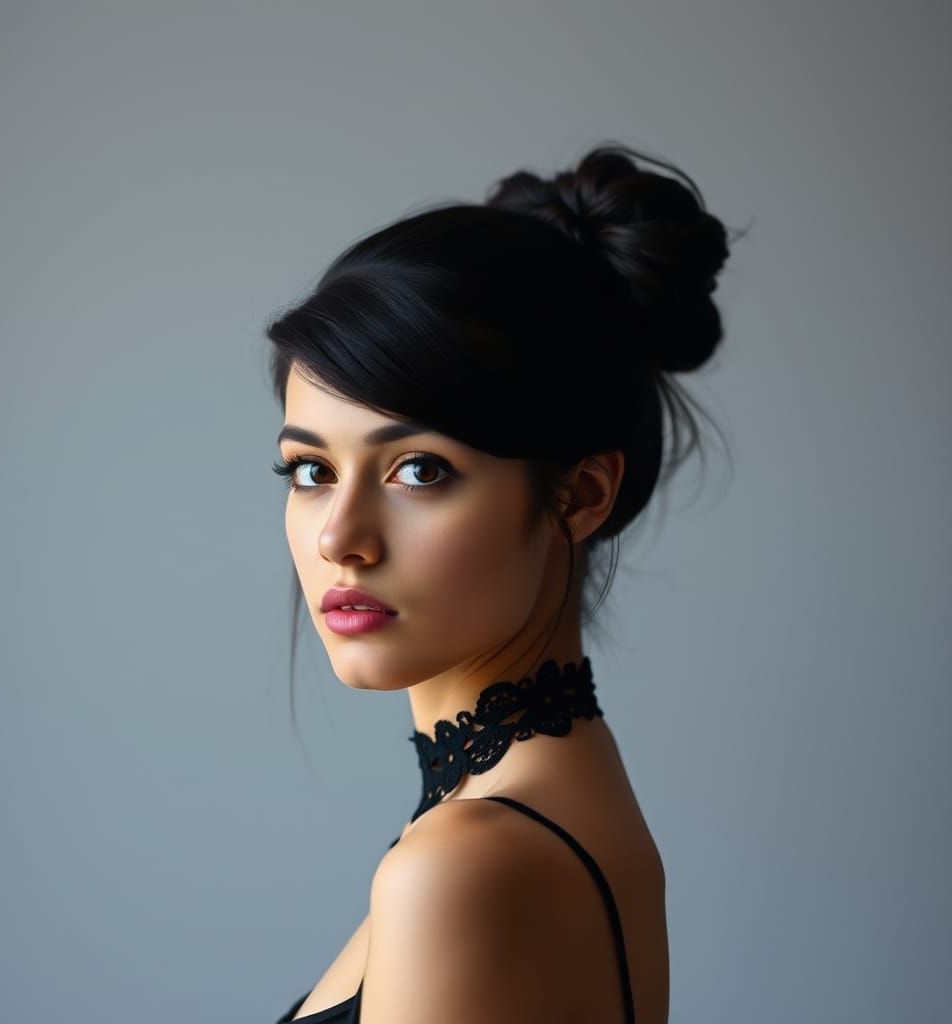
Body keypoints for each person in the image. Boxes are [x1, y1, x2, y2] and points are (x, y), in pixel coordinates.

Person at [264, 141, 736, 1024]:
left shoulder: (465, 866)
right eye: (311, 470)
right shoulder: (547, 801)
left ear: (581, 493)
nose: (341, 537)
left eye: (418, 471)